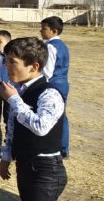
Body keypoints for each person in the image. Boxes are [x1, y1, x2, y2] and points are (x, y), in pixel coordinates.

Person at [0, 37, 67, 201]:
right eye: (5, 61)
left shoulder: (49, 94)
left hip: (45, 170)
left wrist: (14, 100)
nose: (6, 66)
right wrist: (6, 157)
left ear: (34, 66)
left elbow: (41, 127)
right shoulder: (19, 90)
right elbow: (13, 126)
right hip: (25, 164)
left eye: (12, 62)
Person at [40, 16, 71, 157]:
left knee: (51, 115)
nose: (41, 31)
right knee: (62, 116)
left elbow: (47, 71)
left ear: (54, 31)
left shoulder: (50, 46)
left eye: (44, 28)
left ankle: (54, 147)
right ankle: (64, 148)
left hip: (53, 84)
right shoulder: (63, 46)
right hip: (63, 82)